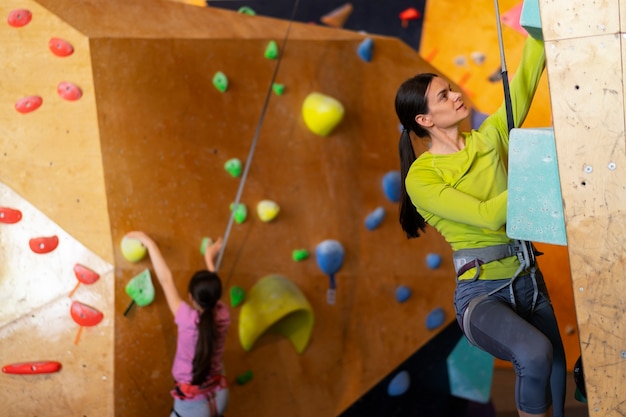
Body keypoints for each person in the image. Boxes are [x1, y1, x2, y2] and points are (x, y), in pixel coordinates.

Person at [394, 36, 566, 417]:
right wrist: (539, 169)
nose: (456, 95)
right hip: (483, 294)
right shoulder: (422, 177)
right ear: (424, 120)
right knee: (535, 355)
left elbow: (526, 74)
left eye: (451, 89)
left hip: (530, 281)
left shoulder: (491, 135)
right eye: (443, 96)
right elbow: (490, 215)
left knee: (555, 375)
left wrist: (540, 20)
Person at [125, 231, 230, 417]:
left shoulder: (187, 320)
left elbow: (166, 279)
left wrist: (149, 242)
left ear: (190, 297)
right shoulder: (223, 314)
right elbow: (211, 292)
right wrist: (209, 260)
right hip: (219, 397)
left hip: (194, 408)